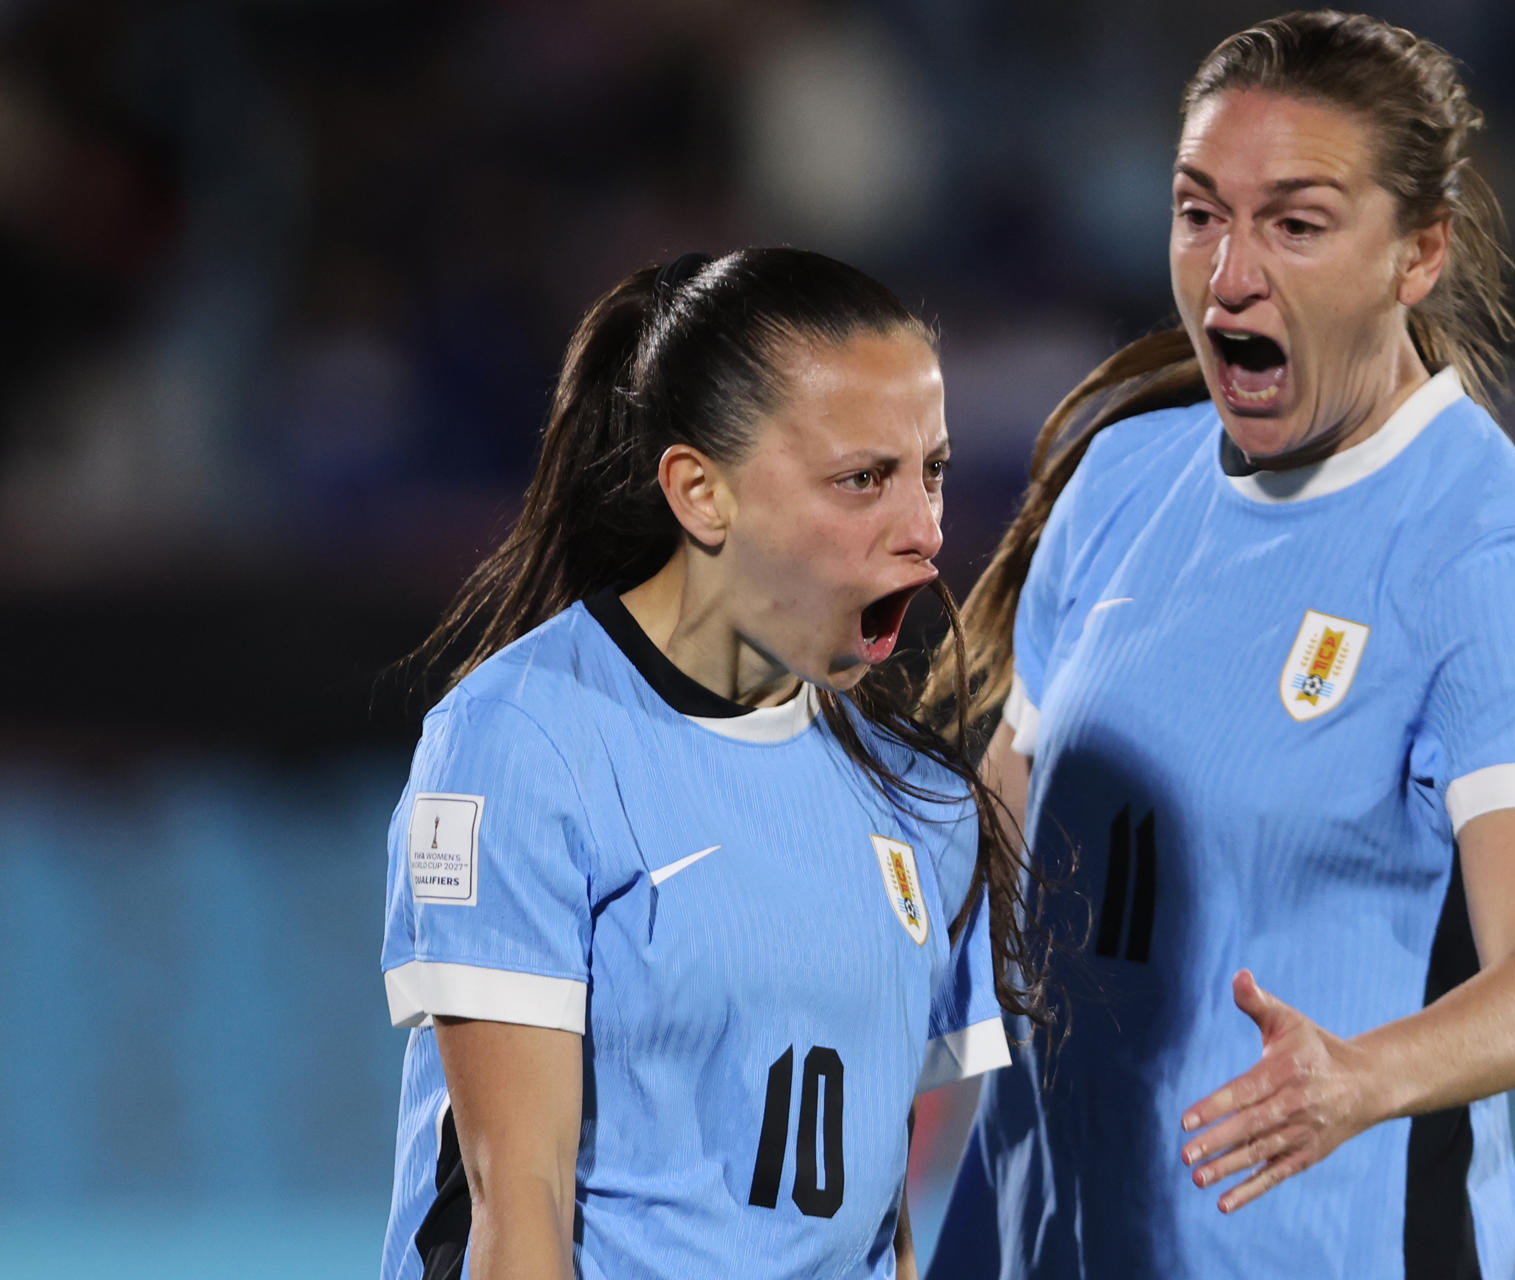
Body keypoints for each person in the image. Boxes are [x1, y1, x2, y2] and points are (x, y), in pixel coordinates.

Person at [926, 13, 1515, 1280]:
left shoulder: (1488, 544)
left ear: (1419, 252)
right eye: (1200, 213)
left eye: (1296, 224)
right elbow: (999, 882)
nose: (1229, 273)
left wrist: (1359, 1076)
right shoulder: (1118, 483)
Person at [377, 248, 1044, 1280]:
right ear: (701, 493)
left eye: (934, 471)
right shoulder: (519, 741)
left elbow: (880, 1216)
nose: (925, 529)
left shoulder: (920, 800)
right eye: (863, 479)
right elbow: (519, 1199)